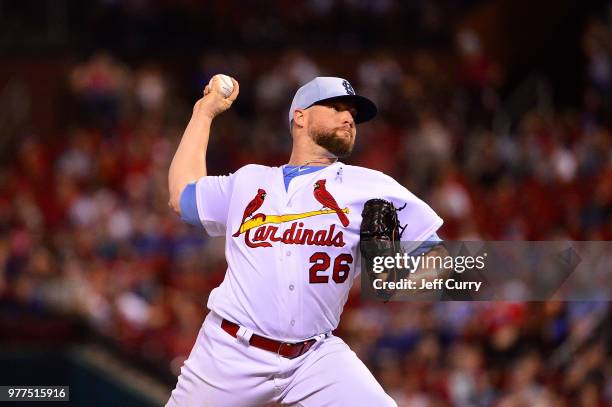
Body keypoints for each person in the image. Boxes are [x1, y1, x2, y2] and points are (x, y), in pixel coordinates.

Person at [166, 76, 443, 406]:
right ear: (300, 116)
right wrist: (204, 113)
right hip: (229, 352)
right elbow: (182, 195)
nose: (348, 118)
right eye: (336, 107)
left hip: (314, 358)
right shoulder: (249, 181)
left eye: (353, 113)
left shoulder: (371, 187)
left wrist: (394, 273)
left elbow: (441, 266)